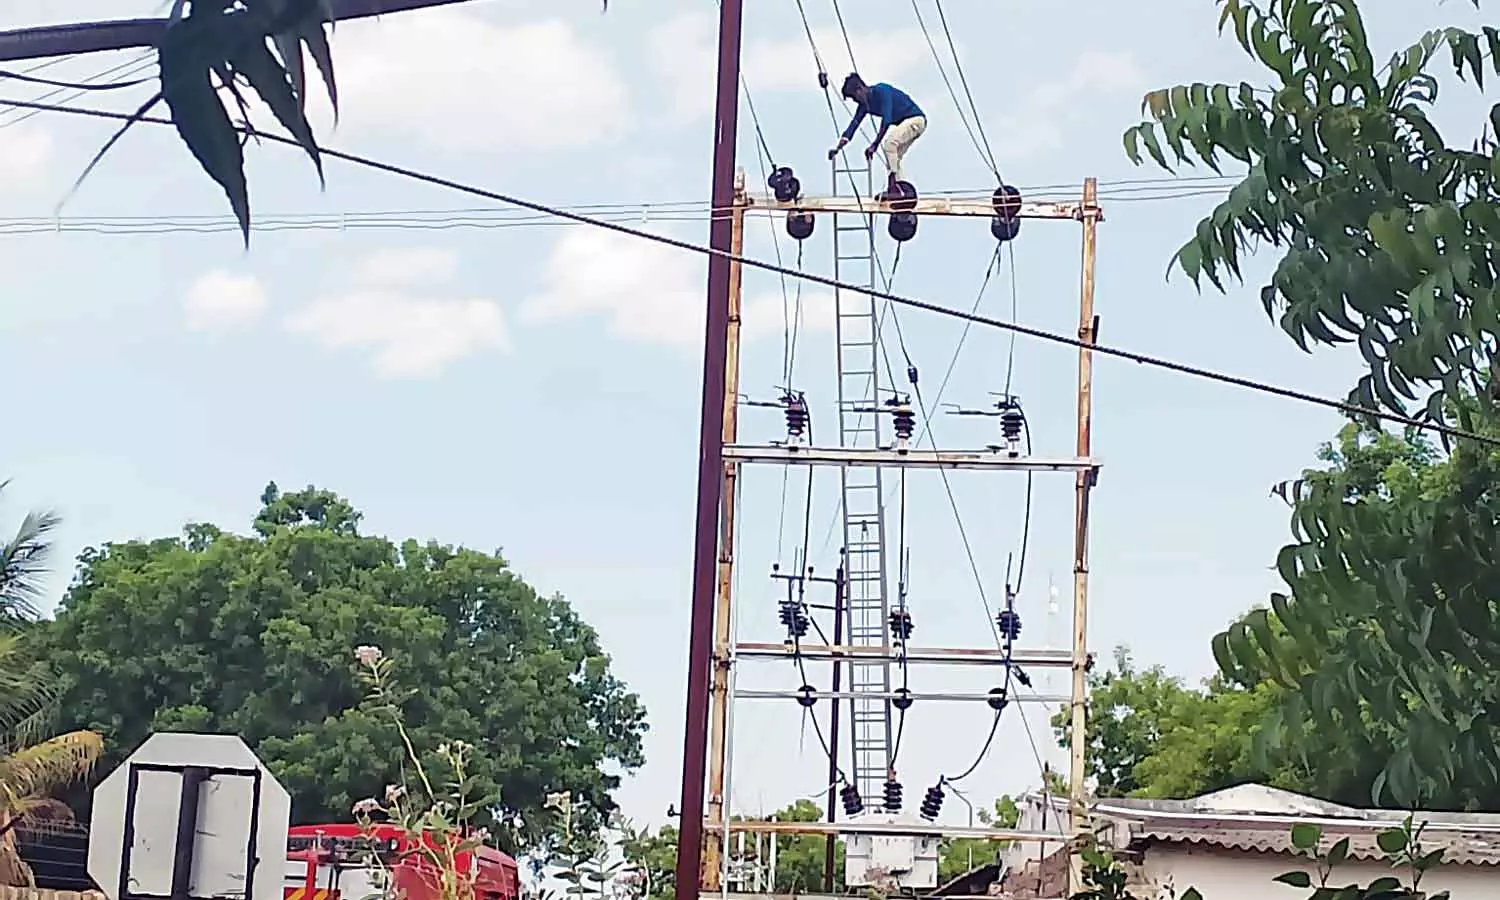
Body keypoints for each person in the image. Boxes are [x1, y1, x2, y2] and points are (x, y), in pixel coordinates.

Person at [828, 73, 927, 197]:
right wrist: (837, 148)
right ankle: (902, 190)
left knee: (889, 144)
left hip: (915, 120)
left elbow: (886, 119)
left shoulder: (882, 90)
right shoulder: (864, 106)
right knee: (894, 158)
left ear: (860, 90)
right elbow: (853, 126)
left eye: (854, 97)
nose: (855, 101)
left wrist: (874, 145)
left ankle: (894, 187)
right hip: (907, 123)